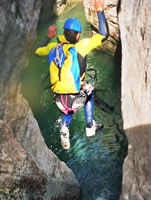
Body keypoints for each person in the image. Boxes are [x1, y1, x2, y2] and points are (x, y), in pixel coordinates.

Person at [35, 0, 108, 150]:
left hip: (58, 100)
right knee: (89, 89)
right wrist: (99, 10)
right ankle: (90, 125)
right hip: (75, 97)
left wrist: (48, 36)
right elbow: (103, 34)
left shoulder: (52, 47)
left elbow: (37, 52)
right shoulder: (82, 46)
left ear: (64, 33)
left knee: (69, 106)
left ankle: (65, 126)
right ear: (78, 35)